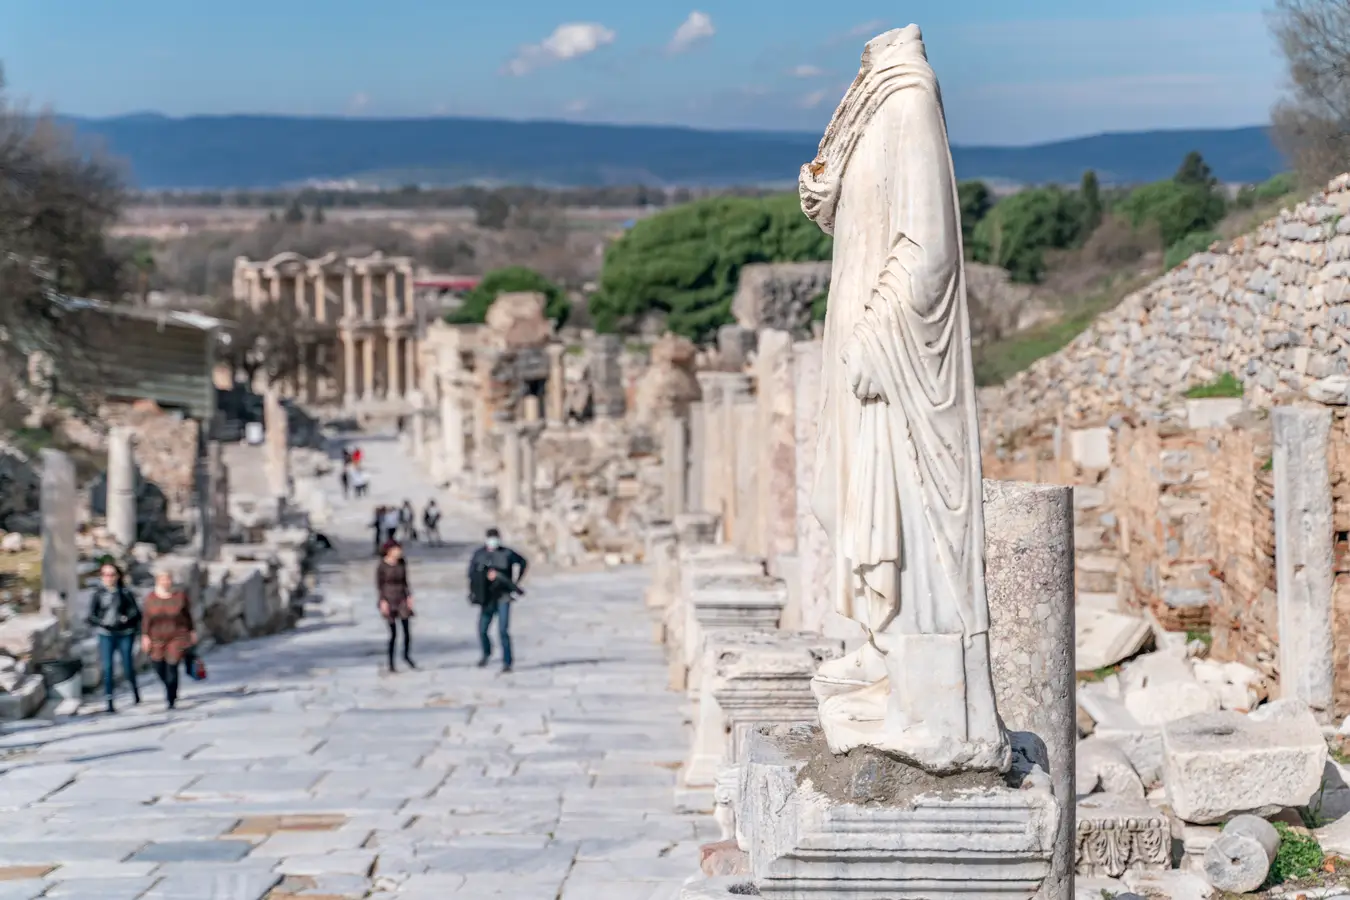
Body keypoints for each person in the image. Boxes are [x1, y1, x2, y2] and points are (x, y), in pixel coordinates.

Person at [467, 528, 528, 673]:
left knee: (503, 630)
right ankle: (486, 653)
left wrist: (516, 581)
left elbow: (523, 562)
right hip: (487, 597)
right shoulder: (479, 554)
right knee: (482, 630)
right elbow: (471, 574)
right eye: (491, 538)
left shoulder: (507, 553)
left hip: (503, 595)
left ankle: (507, 662)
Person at [86, 560, 142, 713]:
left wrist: (125, 618)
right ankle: (109, 700)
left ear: (117, 576)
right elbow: (91, 615)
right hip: (106, 634)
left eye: (111, 574)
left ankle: (135, 692)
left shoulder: (125, 593)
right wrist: (102, 622)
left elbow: (136, 613)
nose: (108, 578)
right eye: (105, 575)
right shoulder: (98, 594)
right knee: (108, 667)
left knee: (127, 665)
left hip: (125, 633)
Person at [141, 566, 196, 710]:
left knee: (172, 665)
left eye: (168, 579)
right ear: (158, 581)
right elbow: (146, 619)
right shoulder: (151, 598)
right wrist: (145, 636)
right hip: (156, 637)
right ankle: (169, 686)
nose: (165, 582)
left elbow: (187, 615)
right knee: (158, 665)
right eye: (162, 579)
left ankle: (171, 697)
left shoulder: (179, 596)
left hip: (177, 636)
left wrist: (191, 632)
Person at [377, 540, 415, 672]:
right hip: (389, 597)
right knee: (393, 633)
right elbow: (379, 585)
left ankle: (406, 655)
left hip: (401, 596)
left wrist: (409, 596)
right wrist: (382, 601)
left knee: (407, 630)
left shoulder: (402, 563)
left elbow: (405, 581)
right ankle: (391, 662)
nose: (400, 552)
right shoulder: (382, 566)